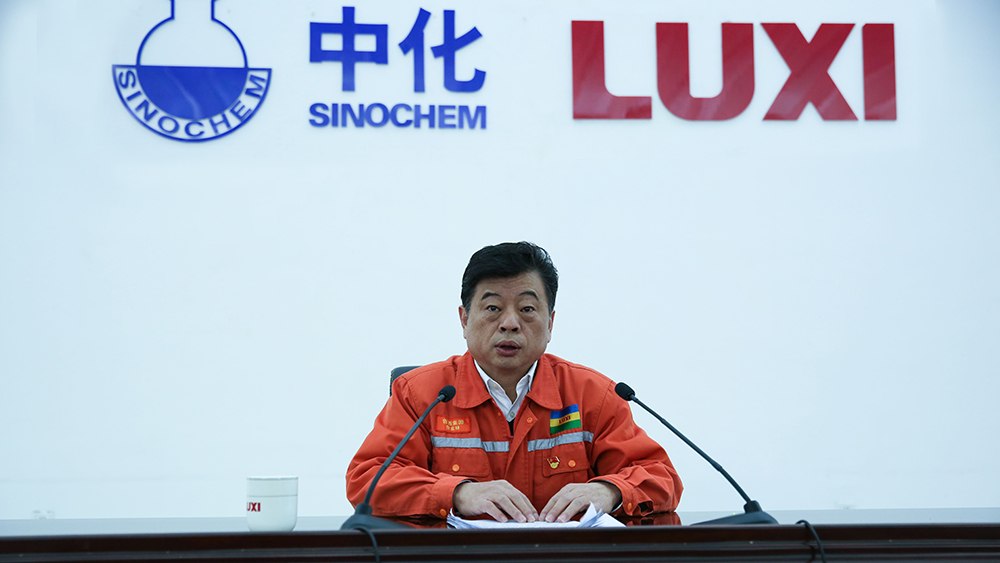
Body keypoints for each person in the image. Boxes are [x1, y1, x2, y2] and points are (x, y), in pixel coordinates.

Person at [346, 242, 682, 523]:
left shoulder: (592, 395)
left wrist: (610, 491)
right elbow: (368, 480)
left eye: (527, 309)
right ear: (464, 319)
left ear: (550, 324)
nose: (510, 323)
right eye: (493, 308)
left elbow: (660, 476)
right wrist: (457, 493)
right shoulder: (421, 394)